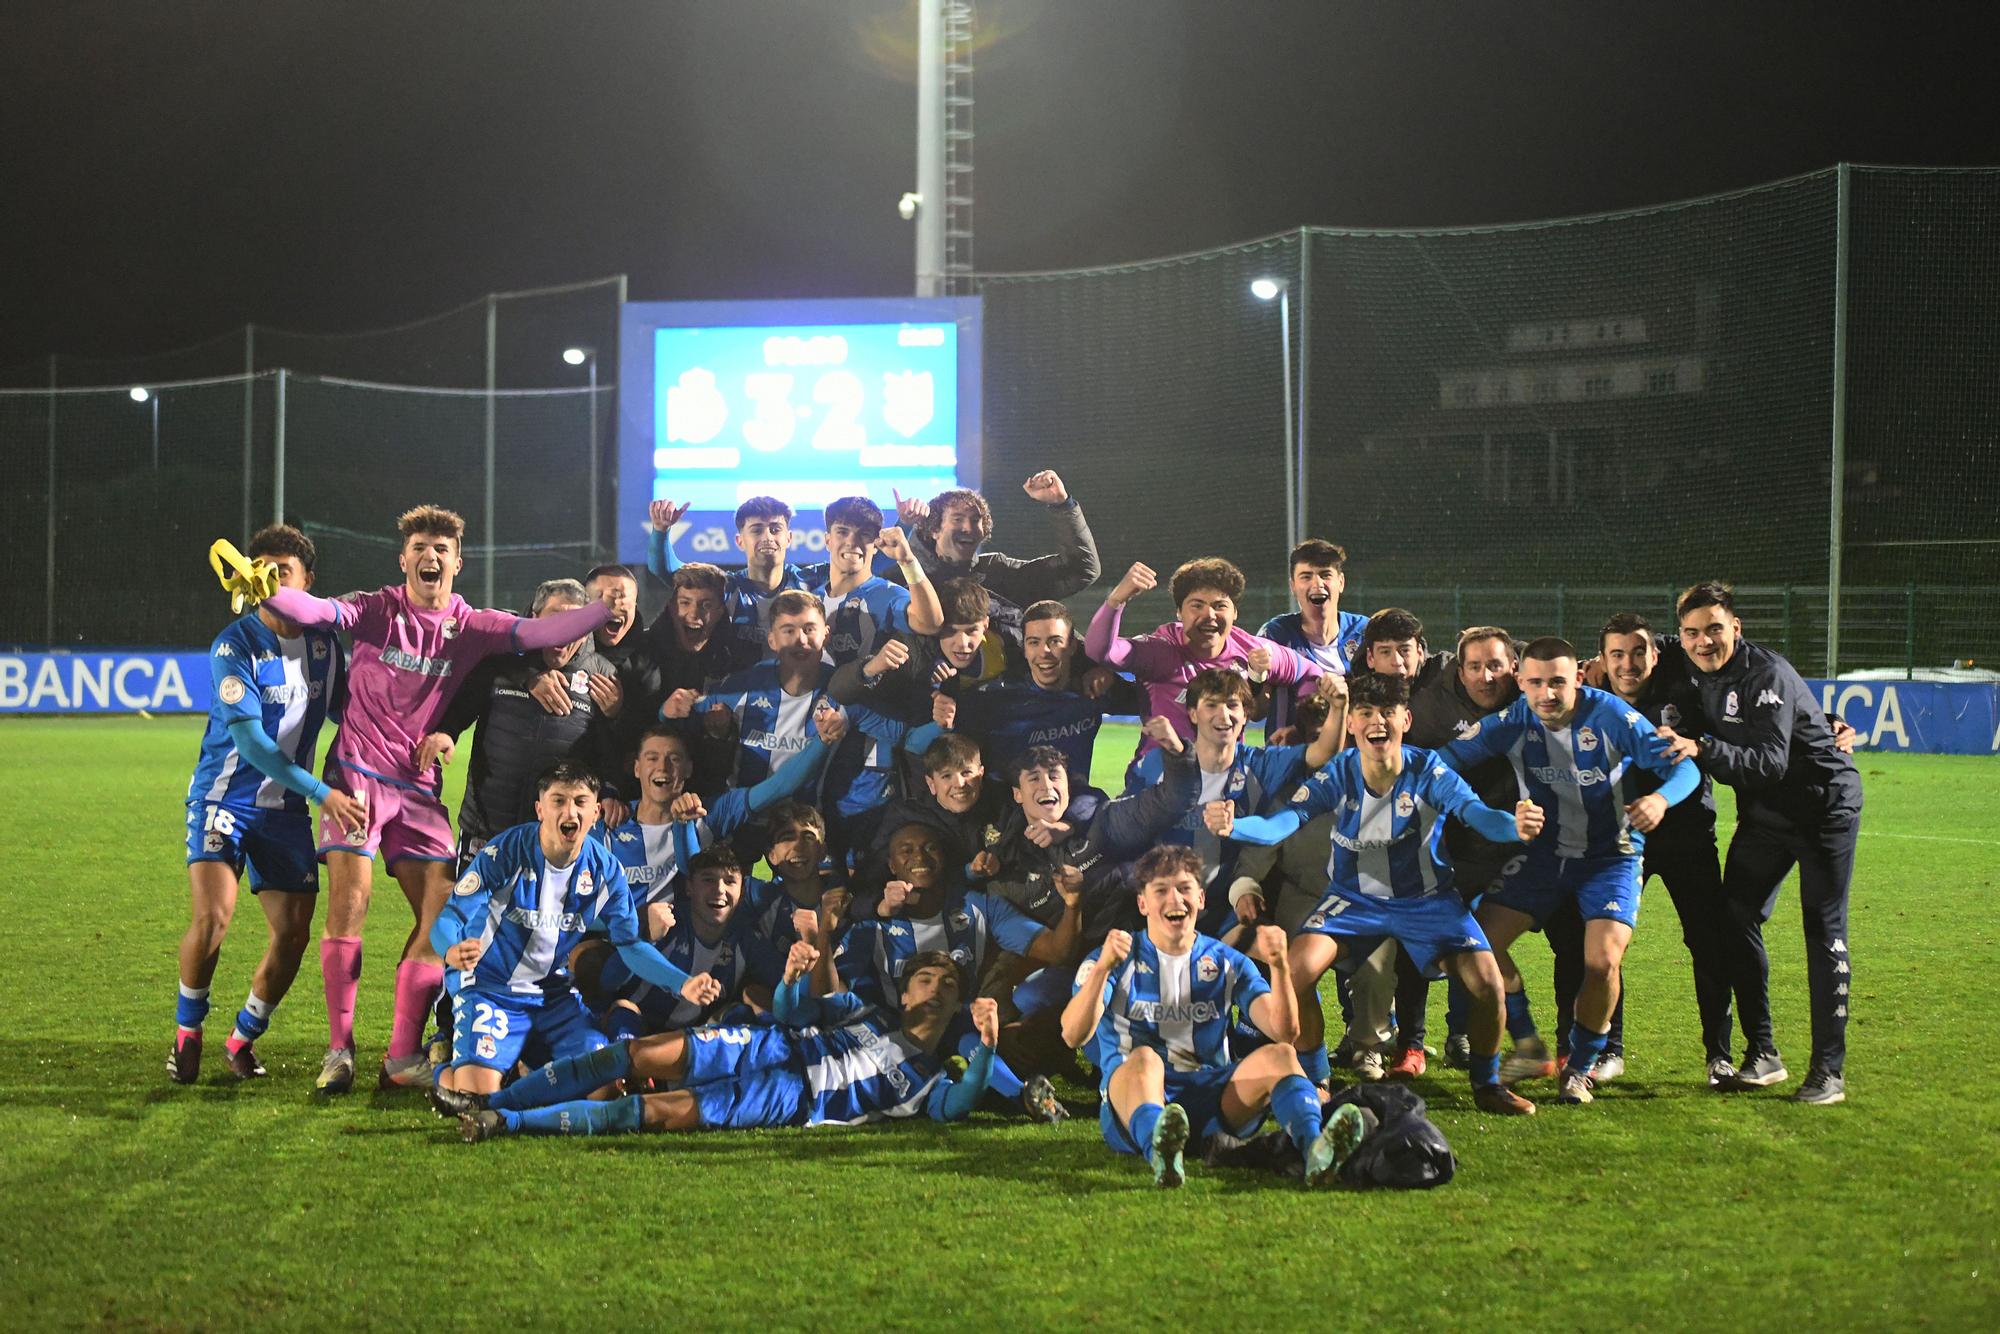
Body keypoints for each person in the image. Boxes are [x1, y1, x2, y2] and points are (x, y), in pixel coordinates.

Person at [241, 503, 617, 1094]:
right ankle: (339, 1050)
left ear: (457, 563)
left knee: (442, 915)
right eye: (420, 547)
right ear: (404, 559)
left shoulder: (471, 626)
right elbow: (314, 609)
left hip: (417, 788)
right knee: (352, 903)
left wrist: (604, 608)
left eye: (441, 549)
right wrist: (268, 590)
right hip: (357, 775)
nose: (430, 556)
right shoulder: (375, 609)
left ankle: (399, 1056)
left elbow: (544, 632)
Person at [1207, 671, 1542, 1115]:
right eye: (1364, 712)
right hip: (1353, 902)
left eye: (1386, 712)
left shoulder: (1429, 770)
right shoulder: (1338, 773)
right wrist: (1236, 826)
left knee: (1488, 985)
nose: (1375, 721)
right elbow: (1281, 823)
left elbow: (1477, 815)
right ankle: (1317, 1077)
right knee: (1296, 972)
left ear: (1406, 718)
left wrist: (1513, 826)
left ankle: (1487, 1084)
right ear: (1351, 724)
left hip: (1428, 901)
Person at [1438, 637, 1702, 1106]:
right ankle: (1528, 1045)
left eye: (1558, 682)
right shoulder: (1512, 720)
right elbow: (1441, 764)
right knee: (1474, 946)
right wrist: (1479, 810)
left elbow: (1686, 771)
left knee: (1601, 962)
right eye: (1535, 683)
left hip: (1611, 855)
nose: (1547, 694)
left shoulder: (1613, 718)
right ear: (1519, 682)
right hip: (1544, 855)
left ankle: (1578, 1070)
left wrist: (1661, 798)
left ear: (1578, 678)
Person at [1060, 845, 1369, 1189]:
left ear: (1202, 898)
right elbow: (1073, 1035)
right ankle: (1159, 1151)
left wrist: (1280, 966)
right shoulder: (1115, 956)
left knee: (1280, 1056)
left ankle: (1316, 1149)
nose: (1174, 899)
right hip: (1136, 1100)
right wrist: (1102, 969)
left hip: (1212, 1097)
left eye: (1184, 888)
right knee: (1144, 1059)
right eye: (1161, 890)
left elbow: (1284, 1033)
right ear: (1142, 903)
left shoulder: (1226, 961)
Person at [449, 947, 999, 1140]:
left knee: (655, 1111)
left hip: (792, 1101)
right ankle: (491, 1102)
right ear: (904, 996)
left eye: (948, 985)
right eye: (926, 980)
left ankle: (507, 1122)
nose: (937, 989)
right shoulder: (865, 1011)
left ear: (957, 1007)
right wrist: (787, 979)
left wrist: (988, 1051)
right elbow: (794, 1012)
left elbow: (958, 1107)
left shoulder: (931, 1081)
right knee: (635, 1054)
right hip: (768, 1046)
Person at [1661, 581, 1863, 1105]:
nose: (1704, 641)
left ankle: (1828, 1072)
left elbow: (1771, 763)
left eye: (1715, 630)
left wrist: (1700, 747)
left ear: (1737, 628)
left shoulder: (1765, 672)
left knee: (1822, 926)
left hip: (1823, 808)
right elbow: (1634, 646)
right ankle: (1765, 1052)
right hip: (1766, 816)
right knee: (1734, 915)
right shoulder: (1681, 655)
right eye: (1692, 632)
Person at [172, 524, 359, 1083]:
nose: (273, 582)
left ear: (308, 584)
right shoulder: (235, 644)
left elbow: (352, 716)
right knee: (213, 919)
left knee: (294, 933)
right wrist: (326, 792)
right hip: (222, 799)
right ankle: (187, 1034)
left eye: (284, 573)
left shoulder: (326, 649)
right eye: (265, 572)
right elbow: (252, 743)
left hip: (285, 812)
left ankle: (242, 1037)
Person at [429, 763, 722, 1100]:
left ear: (596, 812)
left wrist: (682, 982)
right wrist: (451, 950)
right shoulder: (505, 852)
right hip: (491, 985)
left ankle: (522, 1063)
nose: (570, 811)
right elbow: (449, 919)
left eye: (581, 802)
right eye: (559, 801)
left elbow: (629, 944)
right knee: (474, 1098)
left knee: (604, 1090)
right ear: (540, 809)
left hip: (550, 991)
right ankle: (445, 1066)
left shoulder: (605, 869)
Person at [1124, 668, 1345, 930]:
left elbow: (1323, 753)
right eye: (1211, 705)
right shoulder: (1156, 764)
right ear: (1193, 714)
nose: (1224, 715)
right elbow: (1126, 828)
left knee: (1266, 950)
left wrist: (1339, 707)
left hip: (1226, 907)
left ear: (1246, 714)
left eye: (1232, 705)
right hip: (1165, 904)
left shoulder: (1261, 764)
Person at [433, 578, 621, 869]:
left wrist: (617, 717)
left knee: (544, 916)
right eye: (554, 618)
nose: (564, 629)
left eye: (574, 621)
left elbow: (610, 751)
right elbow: (458, 712)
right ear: (533, 619)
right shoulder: (499, 660)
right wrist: (445, 733)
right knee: (474, 913)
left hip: (557, 838)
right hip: (485, 831)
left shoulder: (603, 676)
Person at [1086, 557, 1323, 766]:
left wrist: (1300, 727)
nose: (1209, 615)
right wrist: (1116, 600)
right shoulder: (1161, 651)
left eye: (1220, 606)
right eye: (1197, 605)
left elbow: (1311, 673)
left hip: (1224, 778)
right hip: (1160, 776)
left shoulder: (1254, 650)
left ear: (1235, 612)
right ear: (1179, 612)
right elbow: (1100, 651)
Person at [938, 599, 1147, 792]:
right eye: (1033, 642)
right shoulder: (994, 699)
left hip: (1075, 807)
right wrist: (938, 701)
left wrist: (1109, 675)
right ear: (1025, 649)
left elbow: (1152, 699)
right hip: (1010, 818)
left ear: (1073, 646)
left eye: (1055, 641)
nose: (1044, 651)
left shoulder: (1091, 690)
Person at [595, 846, 786, 1037]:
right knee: (622, 1012)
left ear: (742, 892)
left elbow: (785, 981)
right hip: (638, 1024)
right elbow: (608, 981)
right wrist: (646, 936)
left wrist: (804, 957)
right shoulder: (666, 920)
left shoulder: (745, 938)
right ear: (689, 887)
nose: (720, 890)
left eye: (730, 881)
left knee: (739, 1014)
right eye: (708, 880)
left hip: (692, 1040)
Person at [895, 470, 1102, 645]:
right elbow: (873, 578)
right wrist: (904, 526)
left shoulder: (1000, 572)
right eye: (957, 519)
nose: (967, 528)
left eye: (976, 520)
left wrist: (1062, 505)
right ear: (934, 529)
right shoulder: (909, 577)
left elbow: (1081, 569)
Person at [646, 495, 813, 670]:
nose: (767, 537)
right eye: (756, 530)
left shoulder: (810, 583)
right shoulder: (725, 588)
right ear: (740, 541)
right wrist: (661, 530)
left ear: (789, 538)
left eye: (775, 529)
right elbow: (668, 571)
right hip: (738, 692)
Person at [1256, 538, 1368, 743]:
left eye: (1325, 574)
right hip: (1290, 757)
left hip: (1351, 757)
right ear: (1293, 586)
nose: (1317, 584)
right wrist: (1255, 676)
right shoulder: (1276, 634)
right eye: (1306, 577)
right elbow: (1256, 710)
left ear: (1341, 582)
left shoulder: (1363, 632)